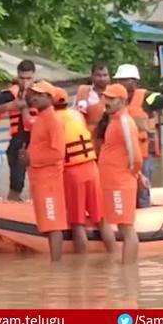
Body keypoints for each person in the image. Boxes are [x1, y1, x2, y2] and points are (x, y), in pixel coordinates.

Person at [51, 87, 115, 254]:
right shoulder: (77, 115)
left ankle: (81, 268)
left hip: (73, 172)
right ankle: (114, 257)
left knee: (77, 223)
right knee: (101, 219)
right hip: (91, 167)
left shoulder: (52, 120)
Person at [19, 81, 68, 262]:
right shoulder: (40, 118)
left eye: (39, 94)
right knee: (48, 224)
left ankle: (56, 267)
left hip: (49, 181)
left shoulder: (53, 120)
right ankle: (54, 266)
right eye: (33, 94)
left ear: (49, 97)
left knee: (53, 225)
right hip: (39, 179)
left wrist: (32, 159)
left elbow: (58, 153)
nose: (34, 97)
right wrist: (27, 156)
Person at [98, 83, 143, 264]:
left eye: (111, 99)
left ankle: (128, 271)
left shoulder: (125, 121)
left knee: (126, 228)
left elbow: (136, 155)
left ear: (122, 101)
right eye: (105, 97)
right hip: (114, 181)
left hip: (120, 182)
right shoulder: (114, 120)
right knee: (122, 226)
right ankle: (126, 269)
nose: (106, 101)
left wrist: (133, 174)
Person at [0, 60, 36, 201]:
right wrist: (11, 105)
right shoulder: (10, 94)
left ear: (34, 77)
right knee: (17, 183)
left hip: (38, 142)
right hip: (17, 142)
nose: (25, 82)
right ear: (17, 76)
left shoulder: (42, 93)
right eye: (22, 78)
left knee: (39, 181)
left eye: (28, 78)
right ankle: (12, 209)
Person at [111, 64, 154, 208]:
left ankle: (145, 216)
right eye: (119, 80)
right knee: (125, 189)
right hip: (121, 156)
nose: (119, 83)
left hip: (143, 153)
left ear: (133, 81)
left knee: (142, 191)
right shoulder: (114, 100)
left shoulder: (147, 97)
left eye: (123, 80)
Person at [75, 62, 111, 152]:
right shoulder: (84, 92)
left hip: (108, 139)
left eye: (105, 75)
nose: (102, 78)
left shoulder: (114, 94)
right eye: (98, 75)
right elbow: (78, 115)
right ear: (92, 76)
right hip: (87, 139)